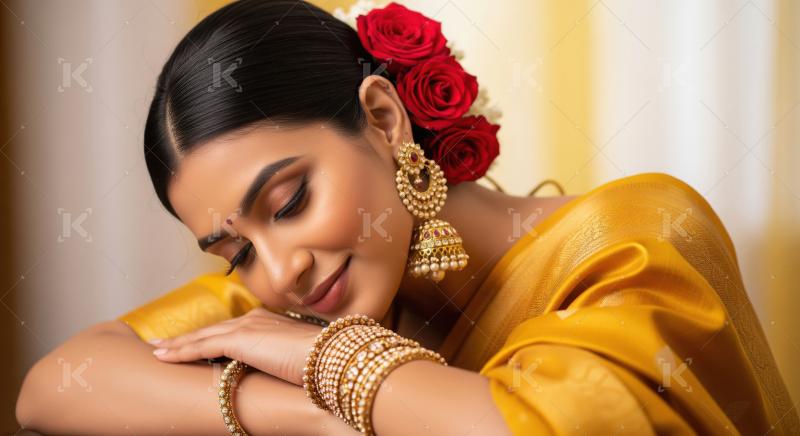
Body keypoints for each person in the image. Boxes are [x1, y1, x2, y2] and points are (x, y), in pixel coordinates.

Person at [16, 1, 797, 434]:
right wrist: (303, 415)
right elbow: (54, 385)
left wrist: (338, 371)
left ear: (385, 120)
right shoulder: (306, 301)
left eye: (289, 202)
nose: (279, 270)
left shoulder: (634, 232)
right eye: (234, 252)